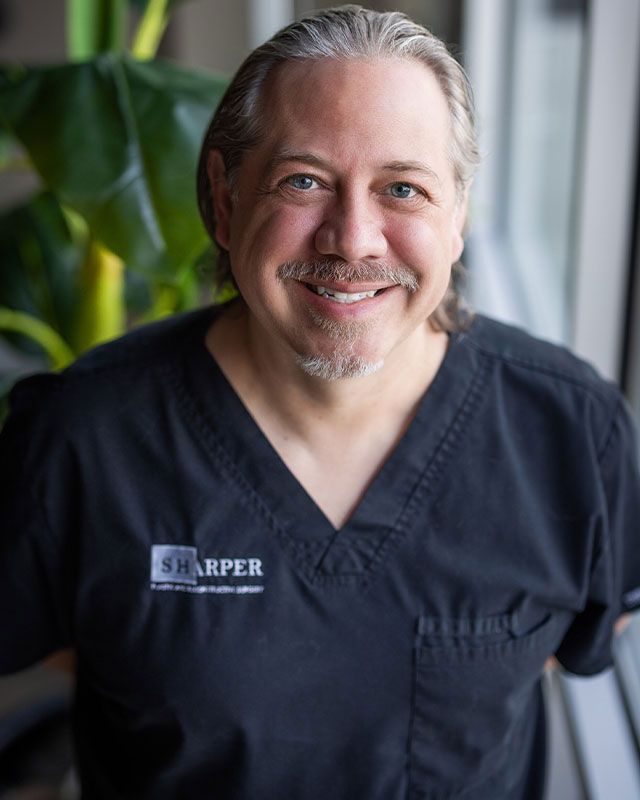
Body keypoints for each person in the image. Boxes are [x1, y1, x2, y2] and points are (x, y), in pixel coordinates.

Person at [1, 5, 639, 799]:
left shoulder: (574, 433)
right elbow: (53, 640)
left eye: (403, 188)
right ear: (226, 201)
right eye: (303, 180)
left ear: (459, 220)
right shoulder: (83, 436)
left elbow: (581, 630)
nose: (354, 239)